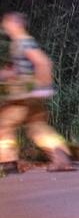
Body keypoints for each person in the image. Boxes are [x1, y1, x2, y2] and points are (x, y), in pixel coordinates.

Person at [0, 12, 74, 174]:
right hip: (30, 95)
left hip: (23, 96)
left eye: (7, 23)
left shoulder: (23, 42)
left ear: (16, 24)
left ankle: (8, 162)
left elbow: (43, 62)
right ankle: (59, 154)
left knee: (4, 124)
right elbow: (20, 68)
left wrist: (43, 86)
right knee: (37, 127)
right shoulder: (21, 43)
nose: (4, 27)